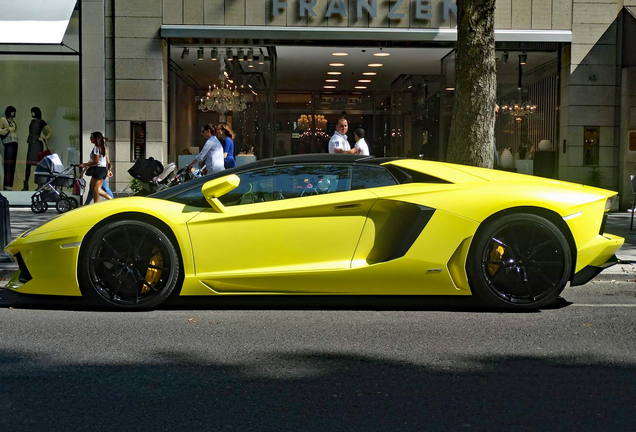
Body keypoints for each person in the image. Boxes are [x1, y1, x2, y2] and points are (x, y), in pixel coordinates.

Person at [24, 107, 53, 190]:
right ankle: (26, 184)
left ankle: (39, 184)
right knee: (28, 164)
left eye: (33, 112)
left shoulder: (41, 122)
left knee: (39, 164)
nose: (32, 114)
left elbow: (50, 131)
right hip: (31, 143)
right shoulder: (32, 121)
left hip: (37, 144)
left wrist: (44, 138)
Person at [80, 131, 112, 204]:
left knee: (95, 189)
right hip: (102, 170)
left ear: (95, 138)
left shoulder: (96, 148)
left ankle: (98, 204)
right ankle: (109, 200)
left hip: (98, 170)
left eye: (91, 137)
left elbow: (96, 161)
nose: (90, 138)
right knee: (96, 189)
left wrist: (85, 164)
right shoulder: (102, 147)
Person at [0, 106, 18, 190]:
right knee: (8, 164)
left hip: (14, 142)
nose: (13, 114)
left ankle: (10, 184)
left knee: (12, 164)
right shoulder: (3, 119)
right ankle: (6, 184)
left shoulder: (13, 120)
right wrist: (8, 129)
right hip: (8, 142)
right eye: (12, 112)